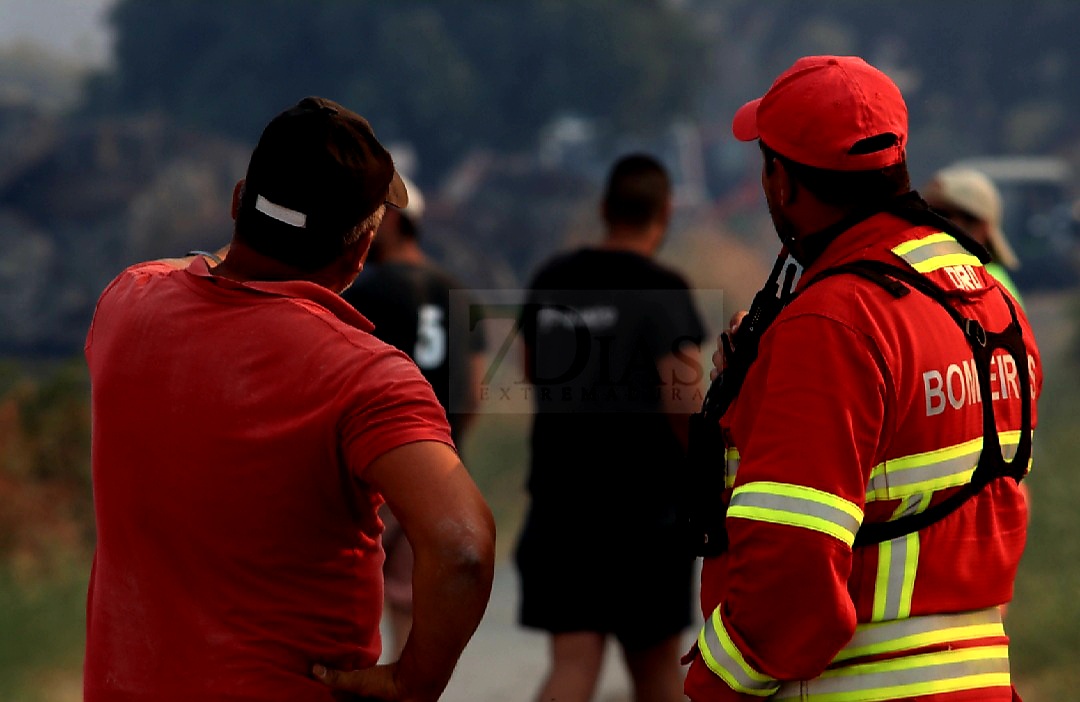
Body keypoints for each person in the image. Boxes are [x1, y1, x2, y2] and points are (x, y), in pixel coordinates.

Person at [82, 96, 496, 702]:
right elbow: (462, 547)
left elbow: (195, 274)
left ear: (235, 202)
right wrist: (416, 682)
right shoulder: (365, 376)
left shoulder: (126, 303)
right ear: (360, 251)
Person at [684, 56, 1042, 701]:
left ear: (782, 181)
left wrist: (714, 685)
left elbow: (791, 572)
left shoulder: (833, 322)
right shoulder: (988, 296)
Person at [515, 153, 706, 702]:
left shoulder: (553, 278)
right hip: (644, 516)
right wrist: (706, 478)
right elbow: (683, 399)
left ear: (604, 208)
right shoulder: (663, 289)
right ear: (665, 213)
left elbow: (531, 369)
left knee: (572, 664)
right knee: (656, 672)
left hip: (560, 506)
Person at [341, 172, 488, 660]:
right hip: (440, 469)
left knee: (351, 600)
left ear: (397, 221)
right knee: (408, 602)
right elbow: (474, 389)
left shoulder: (365, 291)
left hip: (374, 470)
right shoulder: (456, 288)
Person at [922, 164, 1025, 306]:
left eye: (940, 214)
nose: (926, 221)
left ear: (979, 226)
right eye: (924, 211)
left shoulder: (989, 286)